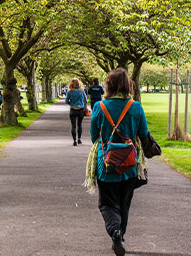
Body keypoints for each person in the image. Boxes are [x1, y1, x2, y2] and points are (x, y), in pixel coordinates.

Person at [90, 68, 149, 256]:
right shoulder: (136, 107)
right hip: (129, 165)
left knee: (107, 204)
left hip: (105, 165)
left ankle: (115, 231)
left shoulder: (100, 107)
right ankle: (120, 234)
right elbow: (144, 133)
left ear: (109, 85)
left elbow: (93, 137)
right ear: (127, 85)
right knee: (124, 204)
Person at [65, 77, 87, 146]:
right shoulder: (82, 90)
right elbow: (85, 100)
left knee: (73, 126)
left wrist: (71, 104)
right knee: (79, 125)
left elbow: (66, 101)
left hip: (73, 110)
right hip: (81, 110)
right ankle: (79, 139)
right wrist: (84, 106)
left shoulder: (69, 91)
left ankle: (74, 141)